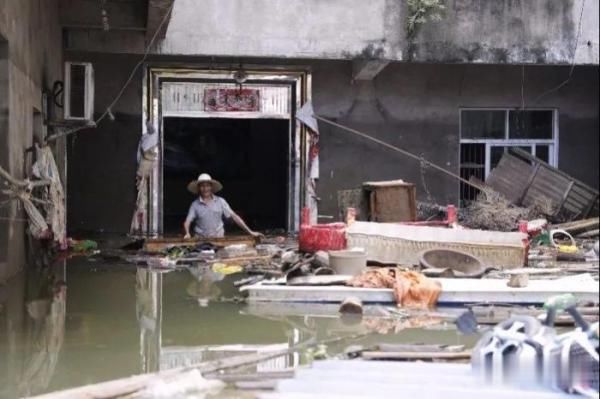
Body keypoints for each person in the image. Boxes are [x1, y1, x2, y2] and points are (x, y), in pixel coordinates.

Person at [183, 173, 263, 239]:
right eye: (202, 186)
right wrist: (187, 233)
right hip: (200, 239)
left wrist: (250, 232)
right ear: (199, 188)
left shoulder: (221, 201)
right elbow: (188, 221)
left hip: (218, 238)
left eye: (207, 186)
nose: (205, 189)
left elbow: (234, 217)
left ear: (211, 187)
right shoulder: (195, 204)